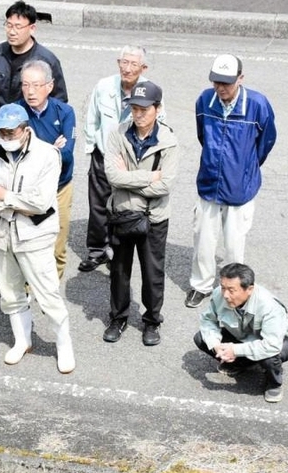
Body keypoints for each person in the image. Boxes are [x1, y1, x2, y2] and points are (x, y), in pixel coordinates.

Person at [0, 103, 74, 374]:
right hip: (0, 234)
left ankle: (63, 344)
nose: (6, 138)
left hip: (35, 236)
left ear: (25, 129)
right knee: (10, 292)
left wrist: (4, 196)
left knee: (47, 293)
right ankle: (22, 340)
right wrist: (13, 204)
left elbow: (41, 202)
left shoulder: (47, 155)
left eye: (12, 132)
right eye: (2, 133)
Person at [186, 54, 277, 309]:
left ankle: (234, 290)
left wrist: (246, 168)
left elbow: (266, 141)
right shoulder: (205, 100)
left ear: (240, 78)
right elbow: (202, 136)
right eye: (216, 81)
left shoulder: (257, 104)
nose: (220, 87)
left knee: (234, 245)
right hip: (209, 182)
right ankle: (201, 285)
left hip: (240, 188)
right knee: (203, 240)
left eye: (226, 82)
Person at [102, 81, 178, 347]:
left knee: (152, 273)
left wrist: (128, 178)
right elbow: (112, 176)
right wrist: (148, 176)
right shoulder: (117, 133)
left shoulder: (168, 140)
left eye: (144, 109)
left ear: (157, 109)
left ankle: (152, 321)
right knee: (119, 270)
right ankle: (118, 318)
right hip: (122, 213)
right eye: (134, 108)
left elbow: (165, 185)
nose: (138, 114)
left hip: (154, 217)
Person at [80, 44, 157, 273]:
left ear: (143, 68)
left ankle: (119, 252)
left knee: (124, 207)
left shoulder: (150, 91)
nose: (128, 68)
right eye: (124, 62)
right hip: (103, 155)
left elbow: (157, 126)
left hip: (131, 161)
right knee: (98, 205)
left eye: (134, 64)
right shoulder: (104, 86)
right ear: (118, 63)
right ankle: (97, 250)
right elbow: (92, 118)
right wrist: (92, 147)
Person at [195, 263, 288, 404]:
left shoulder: (270, 306)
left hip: (278, 342)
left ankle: (274, 383)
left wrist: (235, 350)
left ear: (249, 289)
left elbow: (272, 345)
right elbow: (208, 320)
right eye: (223, 287)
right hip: (243, 336)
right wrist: (216, 345)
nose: (225, 295)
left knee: (270, 357)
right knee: (201, 338)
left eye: (231, 290)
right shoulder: (219, 294)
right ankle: (240, 364)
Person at [17, 59, 75, 279]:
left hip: (60, 188)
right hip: (28, 189)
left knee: (57, 245)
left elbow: (66, 155)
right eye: (25, 85)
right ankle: (28, 288)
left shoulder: (65, 112)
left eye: (36, 85)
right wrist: (51, 149)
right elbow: (13, 152)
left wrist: (33, 148)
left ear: (49, 86)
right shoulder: (15, 111)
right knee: (28, 243)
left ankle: (52, 286)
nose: (30, 91)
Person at [0, 1, 67, 119]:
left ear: (32, 28)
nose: (12, 32)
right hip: (2, 123)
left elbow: (59, 100)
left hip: (31, 124)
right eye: (9, 25)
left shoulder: (47, 60)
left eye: (18, 27)